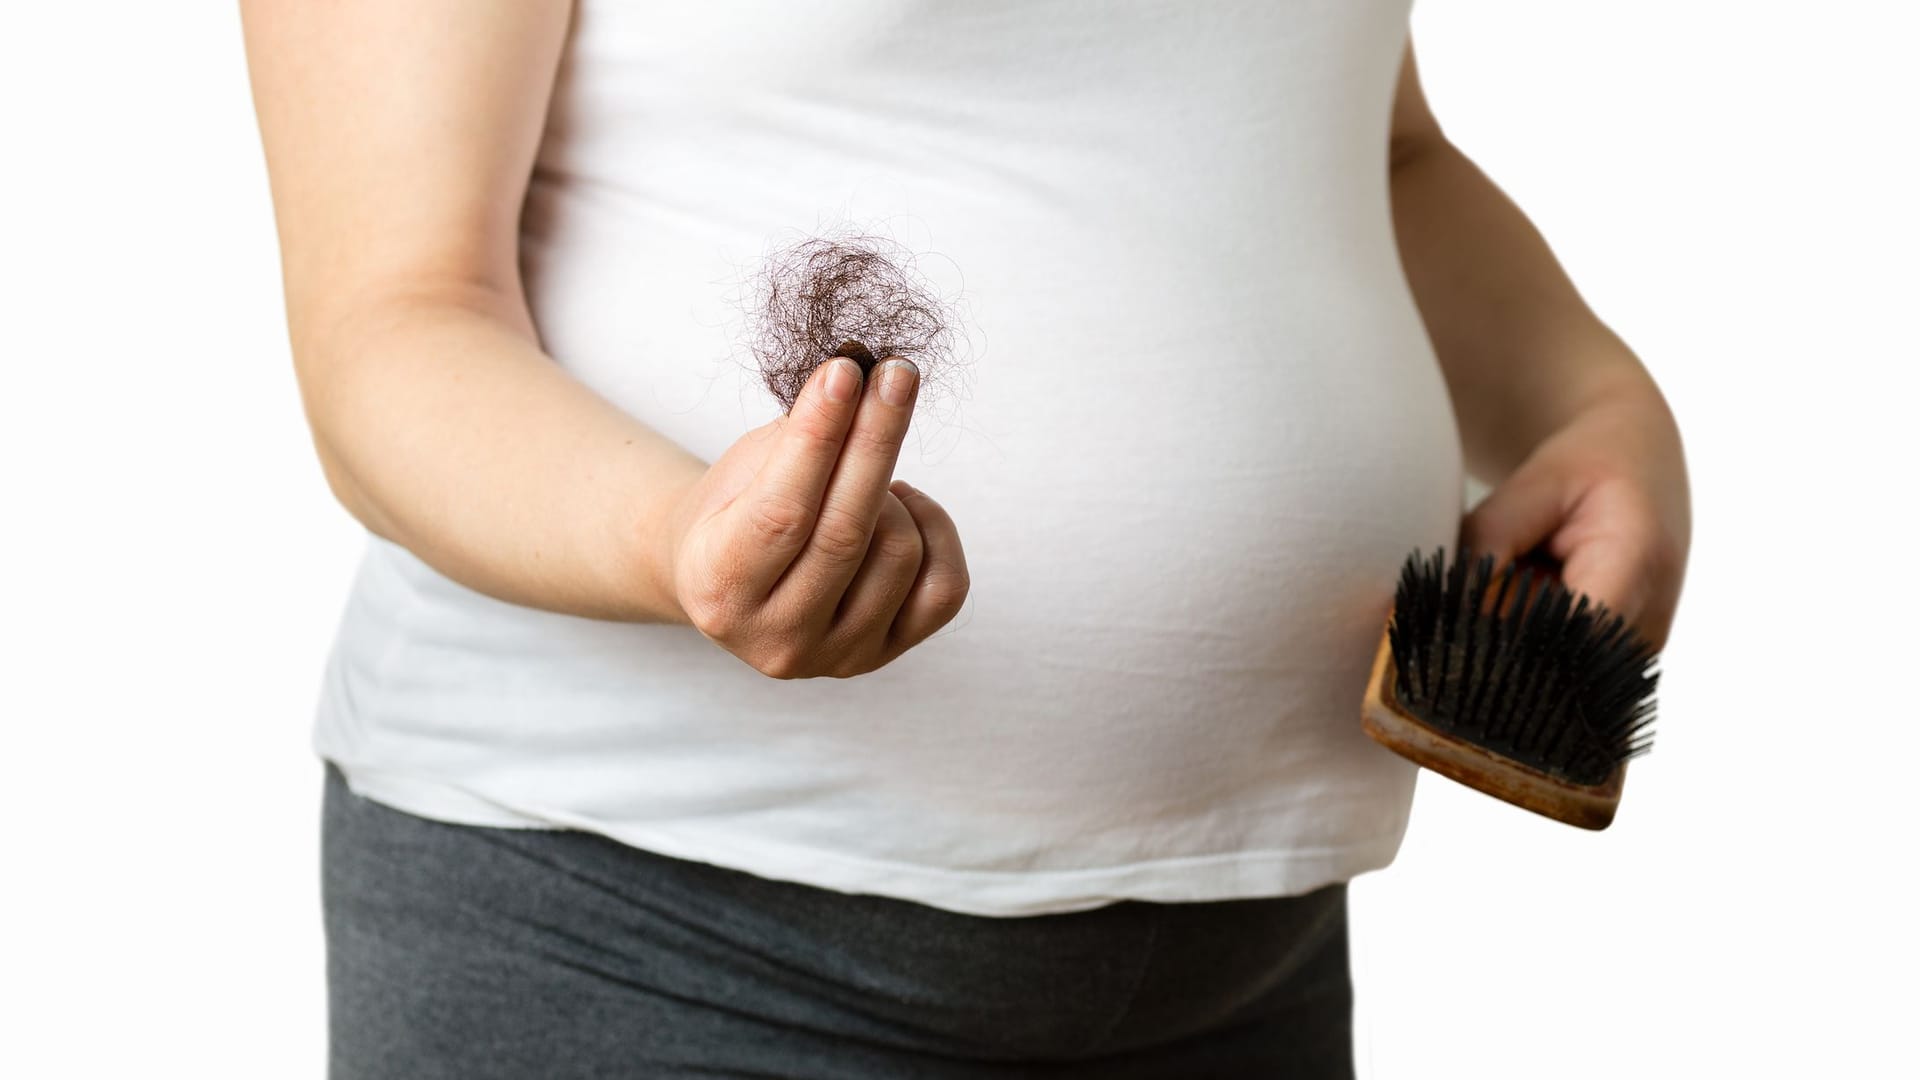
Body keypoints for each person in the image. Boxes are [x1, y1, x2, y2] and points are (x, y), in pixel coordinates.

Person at [239, 1, 1692, 1076]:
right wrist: (670, 534)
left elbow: (1380, 149)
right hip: (645, 941)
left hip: (1249, 950)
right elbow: (393, 320)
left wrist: (1590, 394)